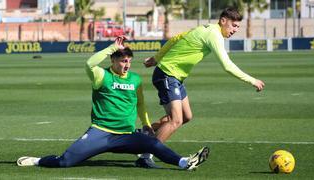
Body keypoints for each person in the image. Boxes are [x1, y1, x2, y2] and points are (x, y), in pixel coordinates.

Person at [16, 36, 209, 170]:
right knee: (65, 162)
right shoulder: (102, 76)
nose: (126, 65)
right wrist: (110, 47)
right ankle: (38, 160)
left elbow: (140, 104)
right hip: (100, 133)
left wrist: (146, 124)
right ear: (113, 60)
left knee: (153, 144)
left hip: (126, 135)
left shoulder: (135, 79)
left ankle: (184, 162)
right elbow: (89, 64)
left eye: (129, 61)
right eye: (123, 61)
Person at [136, 7, 265, 167]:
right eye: (233, 25)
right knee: (176, 120)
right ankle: (146, 156)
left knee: (186, 117)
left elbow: (176, 38)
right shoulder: (214, 34)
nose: (235, 30)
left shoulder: (206, 28)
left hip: (175, 77)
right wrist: (251, 80)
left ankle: (144, 133)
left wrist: (157, 58)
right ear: (223, 20)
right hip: (167, 74)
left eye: (238, 27)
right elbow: (226, 65)